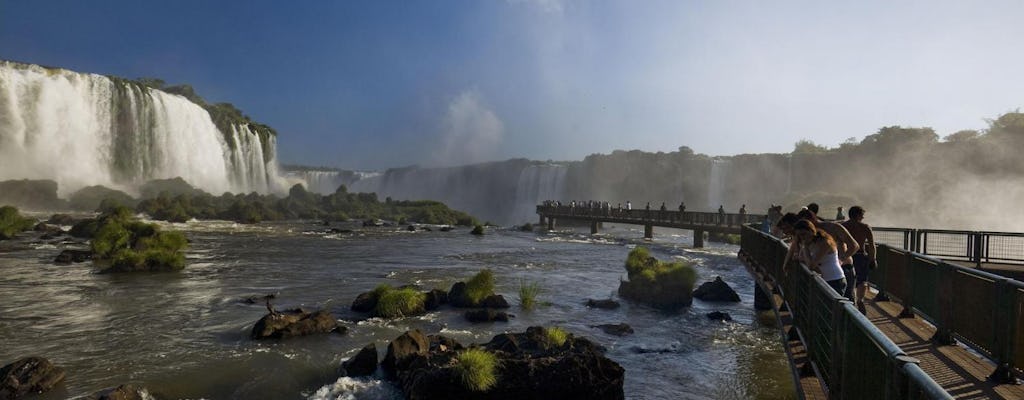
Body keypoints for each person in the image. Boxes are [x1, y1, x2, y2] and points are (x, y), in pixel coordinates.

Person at [798, 208, 859, 301]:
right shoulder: (809, 235)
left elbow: (854, 245)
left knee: (848, 302)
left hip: (844, 268)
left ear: (812, 219)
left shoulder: (833, 227)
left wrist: (841, 260)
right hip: (824, 274)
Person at [792, 219, 847, 295]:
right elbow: (799, 257)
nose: (802, 237)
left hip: (835, 280)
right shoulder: (809, 242)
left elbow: (811, 265)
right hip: (822, 280)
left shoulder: (825, 242)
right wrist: (804, 252)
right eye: (799, 236)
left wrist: (805, 247)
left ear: (811, 231)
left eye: (803, 234)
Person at [842, 206, 876, 314]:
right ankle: (860, 299)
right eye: (862, 215)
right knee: (862, 280)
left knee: (849, 280)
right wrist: (873, 259)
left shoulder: (843, 226)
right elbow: (872, 245)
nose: (863, 217)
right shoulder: (865, 227)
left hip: (847, 256)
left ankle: (849, 301)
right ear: (857, 215)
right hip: (861, 255)